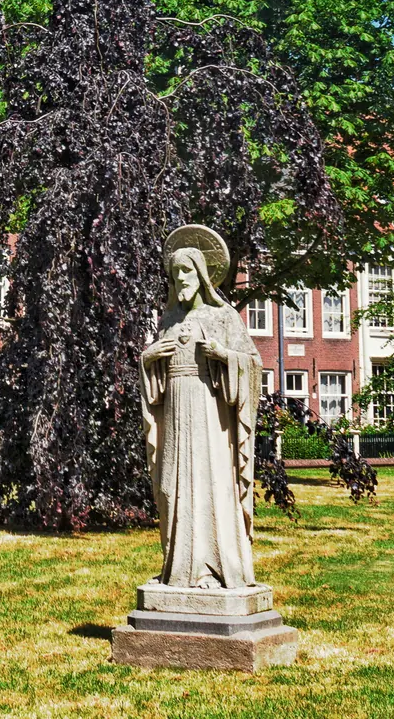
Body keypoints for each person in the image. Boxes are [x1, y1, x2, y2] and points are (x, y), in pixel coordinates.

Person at [141, 224, 263, 591]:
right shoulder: (168, 320)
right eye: (175, 274)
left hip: (210, 416)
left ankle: (213, 567)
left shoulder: (223, 317)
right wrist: (148, 359)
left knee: (209, 484)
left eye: (187, 272)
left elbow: (253, 364)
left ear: (202, 274)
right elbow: (154, 381)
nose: (180, 280)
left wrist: (224, 356)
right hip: (175, 413)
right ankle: (179, 567)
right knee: (172, 484)